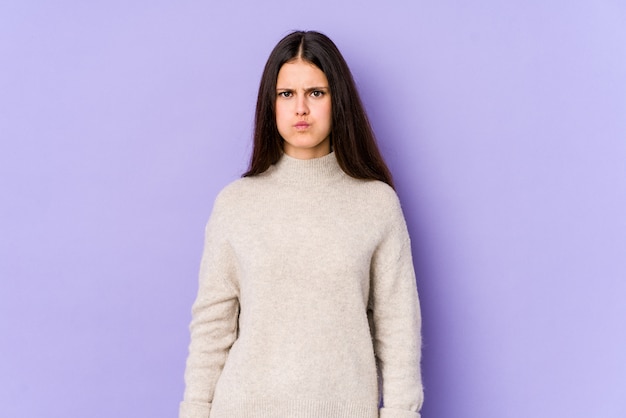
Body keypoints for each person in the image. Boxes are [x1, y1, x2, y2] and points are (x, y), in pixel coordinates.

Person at [179, 30, 423, 418]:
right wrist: (194, 410)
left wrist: (401, 412)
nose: (301, 109)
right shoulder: (236, 204)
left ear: (337, 100)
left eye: (316, 93)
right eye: (286, 94)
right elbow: (212, 326)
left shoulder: (375, 203)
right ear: (270, 104)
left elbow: (398, 330)